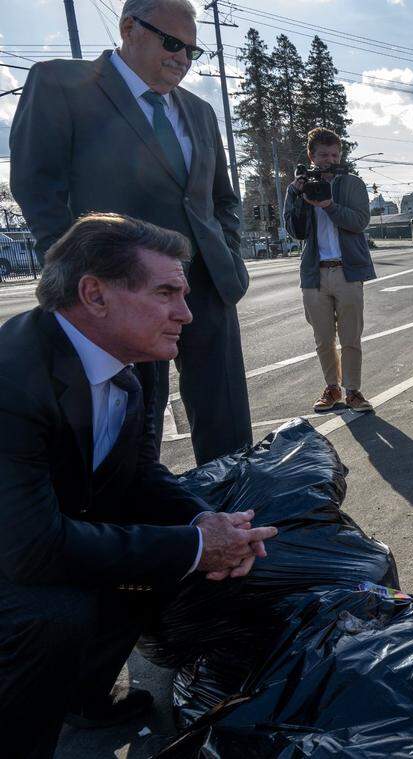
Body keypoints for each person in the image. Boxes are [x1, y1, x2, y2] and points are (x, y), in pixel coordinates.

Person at [0, 214, 278, 758]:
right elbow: (30, 551)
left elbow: (138, 472)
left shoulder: (139, 356)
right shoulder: (11, 379)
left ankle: (83, 696)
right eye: (166, 293)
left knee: (161, 554)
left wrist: (204, 523)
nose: (186, 313)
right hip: (13, 549)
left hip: (43, 528)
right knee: (54, 614)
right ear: (95, 295)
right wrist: (195, 548)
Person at [9, 0, 251, 466]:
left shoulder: (199, 113)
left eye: (191, 51)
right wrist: (80, 274)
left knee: (226, 425)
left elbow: (223, 199)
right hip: (123, 288)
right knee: (133, 429)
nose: (182, 58)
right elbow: (37, 187)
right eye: (172, 43)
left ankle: (234, 519)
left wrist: (229, 252)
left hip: (207, 284)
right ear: (129, 28)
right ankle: (142, 530)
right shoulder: (63, 85)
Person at [284, 127, 376, 414]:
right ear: (311, 156)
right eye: (323, 155)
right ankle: (332, 388)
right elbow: (294, 231)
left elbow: (359, 221)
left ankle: (353, 391)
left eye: (335, 154)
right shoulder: (297, 186)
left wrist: (328, 206)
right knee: (323, 338)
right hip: (315, 273)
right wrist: (299, 196)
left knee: (351, 336)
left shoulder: (353, 184)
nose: (329, 160)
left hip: (347, 271)